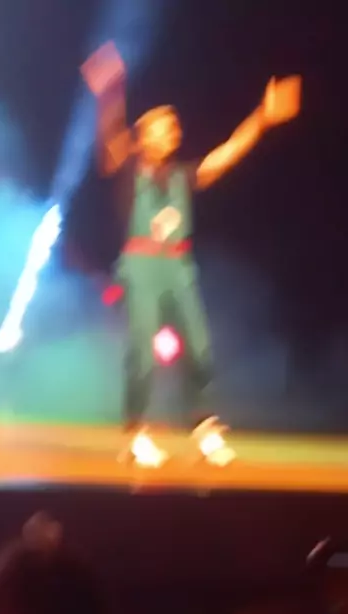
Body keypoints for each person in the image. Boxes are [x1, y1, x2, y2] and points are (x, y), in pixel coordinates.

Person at [81, 42, 301, 460]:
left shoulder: (183, 175)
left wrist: (261, 118)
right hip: (141, 265)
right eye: (164, 127)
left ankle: (204, 426)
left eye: (175, 127)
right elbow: (110, 137)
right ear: (143, 136)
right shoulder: (128, 168)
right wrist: (110, 92)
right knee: (143, 352)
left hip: (178, 266)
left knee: (200, 347)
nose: (174, 132)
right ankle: (137, 433)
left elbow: (227, 153)